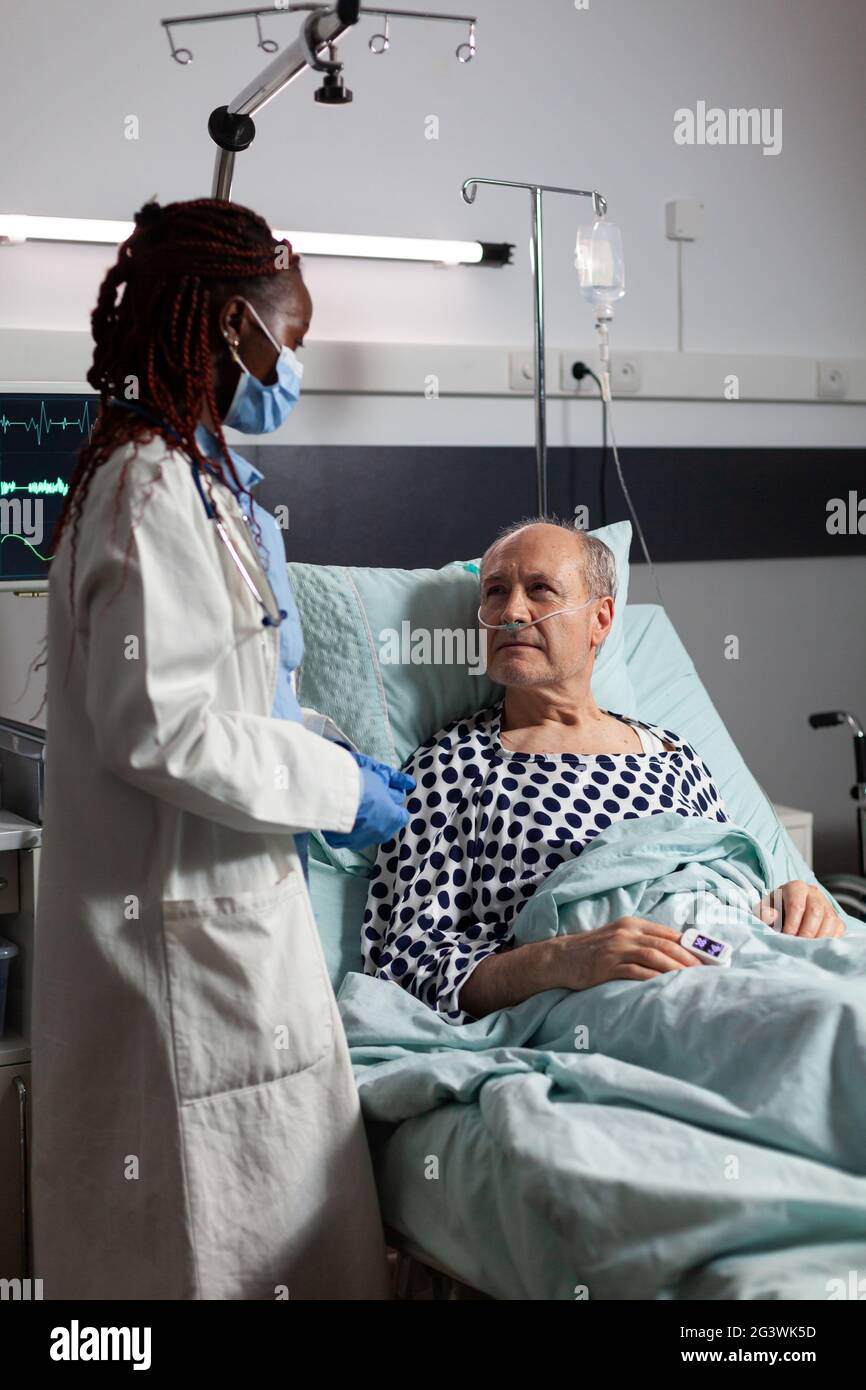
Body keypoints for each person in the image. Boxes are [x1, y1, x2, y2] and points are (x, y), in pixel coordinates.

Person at [30, 197, 412, 1299]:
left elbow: (230, 689)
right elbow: (165, 726)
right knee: (192, 1245)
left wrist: (321, 748)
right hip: (178, 950)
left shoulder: (191, 476)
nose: (291, 367)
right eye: (286, 342)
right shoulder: (149, 488)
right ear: (230, 329)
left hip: (227, 922)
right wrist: (336, 789)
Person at [362, 518, 845, 1024]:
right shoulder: (454, 765)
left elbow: (726, 872)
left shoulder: (674, 754)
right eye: (495, 592)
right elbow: (404, 969)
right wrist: (563, 958)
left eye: (540, 590)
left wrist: (788, 897)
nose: (510, 612)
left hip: (739, 952)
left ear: (601, 619)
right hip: (623, 1003)